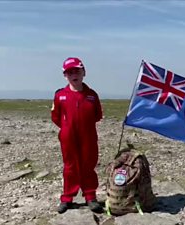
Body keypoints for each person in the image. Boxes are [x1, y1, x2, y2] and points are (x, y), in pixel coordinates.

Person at [51, 57, 103, 214]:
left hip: (88, 135)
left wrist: (83, 127)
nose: (74, 75)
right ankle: (67, 198)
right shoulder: (60, 95)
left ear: (83, 72)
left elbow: (97, 115)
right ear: (65, 75)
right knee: (70, 167)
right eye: (70, 72)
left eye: (77, 71)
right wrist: (68, 127)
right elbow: (55, 116)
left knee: (88, 164)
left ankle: (90, 196)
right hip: (68, 136)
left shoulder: (92, 95)